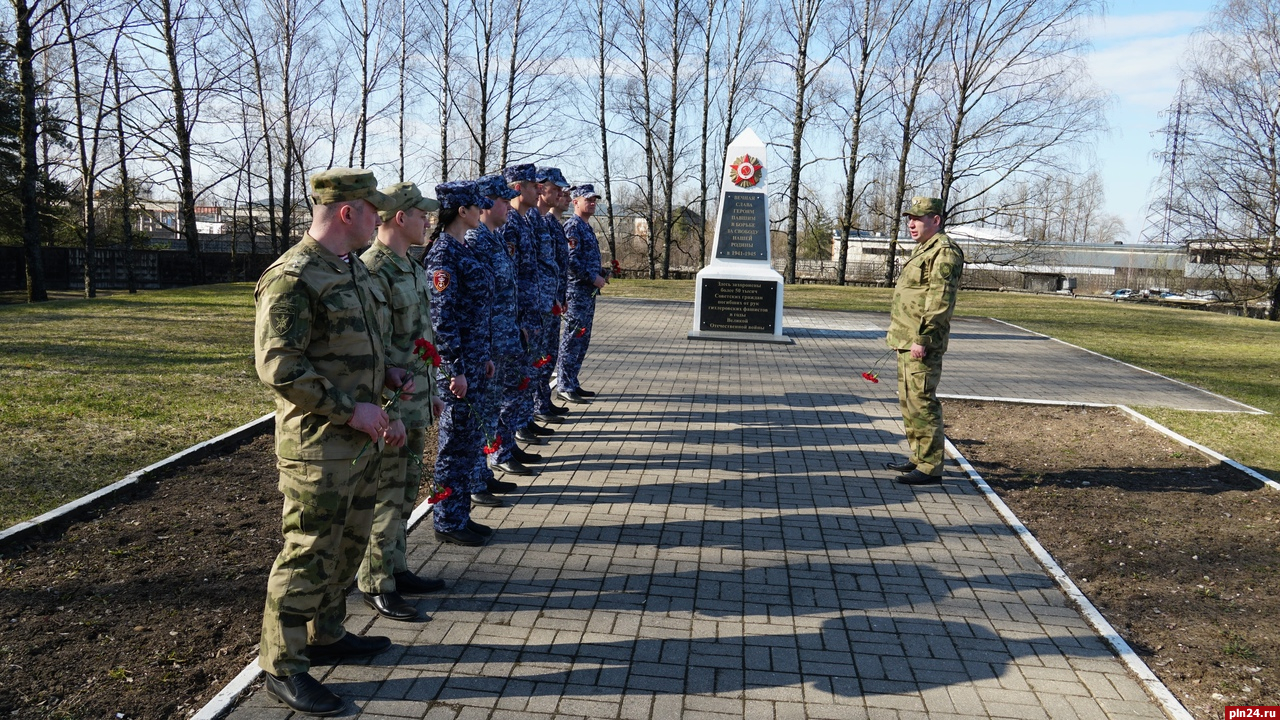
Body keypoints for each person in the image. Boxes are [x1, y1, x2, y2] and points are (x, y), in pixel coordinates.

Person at [253, 167, 407, 715]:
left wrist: (387, 377)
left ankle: (328, 633)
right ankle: (283, 666)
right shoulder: (293, 277)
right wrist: (352, 408)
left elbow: (358, 342)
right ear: (349, 212)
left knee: (348, 543)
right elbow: (279, 367)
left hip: (361, 439)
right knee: (307, 553)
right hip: (319, 446)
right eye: (375, 209)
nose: (381, 218)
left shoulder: (352, 269)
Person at [356, 182, 448, 623]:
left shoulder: (409, 265)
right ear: (400, 218)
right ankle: (376, 581)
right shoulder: (374, 269)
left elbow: (419, 339)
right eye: (421, 215)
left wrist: (431, 393)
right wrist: (386, 410)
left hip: (414, 398)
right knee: (386, 495)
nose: (427, 221)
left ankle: (396, 567)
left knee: (407, 489)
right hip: (391, 403)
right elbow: (375, 350)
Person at [426, 180, 500, 546]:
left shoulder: (462, 249)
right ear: (462, 210)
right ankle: (445, 520)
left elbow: (478, 310)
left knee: (469, 444)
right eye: (476, 205)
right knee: (453, 447)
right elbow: (443, 319)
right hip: (457, 372)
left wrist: (482, 356)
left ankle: (460, 515)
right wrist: (454, 369)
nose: (481, 209)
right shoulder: (443, 255)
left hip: (473, 363)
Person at [885, 196, 965, 486]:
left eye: (918, 218)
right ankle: (919, 457)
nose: (911, 223)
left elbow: (939, 300)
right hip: (906, 339)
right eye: (910, 218)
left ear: (936, 220)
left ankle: (931, 466)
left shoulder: (944, 252)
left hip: (921, 342)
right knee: (909, 401)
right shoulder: (924, 250)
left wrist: (923, 338)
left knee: (922, 401)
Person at [464, 175, 528, 489]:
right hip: (487, 343)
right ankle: (476, 480)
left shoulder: (496, 237)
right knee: (482, 413)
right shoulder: (476, 240)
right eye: (503, 200)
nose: (507, 205)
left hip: (504, 337)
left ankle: (483, 474)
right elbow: (477, 299)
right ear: (487, 203)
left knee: (491, 410)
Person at [500, 164, 552, 449]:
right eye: (534, 186)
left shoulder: (523, 222)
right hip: (517, 318)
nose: (539, 190)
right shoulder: (509, 223)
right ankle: (506, 447)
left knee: (524, 377)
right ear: (518, 188)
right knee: (513, 383)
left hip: (530, 315)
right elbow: (511, 276)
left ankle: (515, 437)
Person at [556, 184, 609, 404]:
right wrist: (592, 276)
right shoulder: (573, 227)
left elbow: (586, 258)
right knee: (573, 338)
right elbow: (571, 261)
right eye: (588, 199)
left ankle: (573, 381)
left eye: (595, 199)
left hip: (588, 292)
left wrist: (602, 273)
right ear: (575, 201)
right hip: (577, 291)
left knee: (582, 338)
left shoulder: (586, 226)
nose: (593, 203)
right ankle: (564, 384)